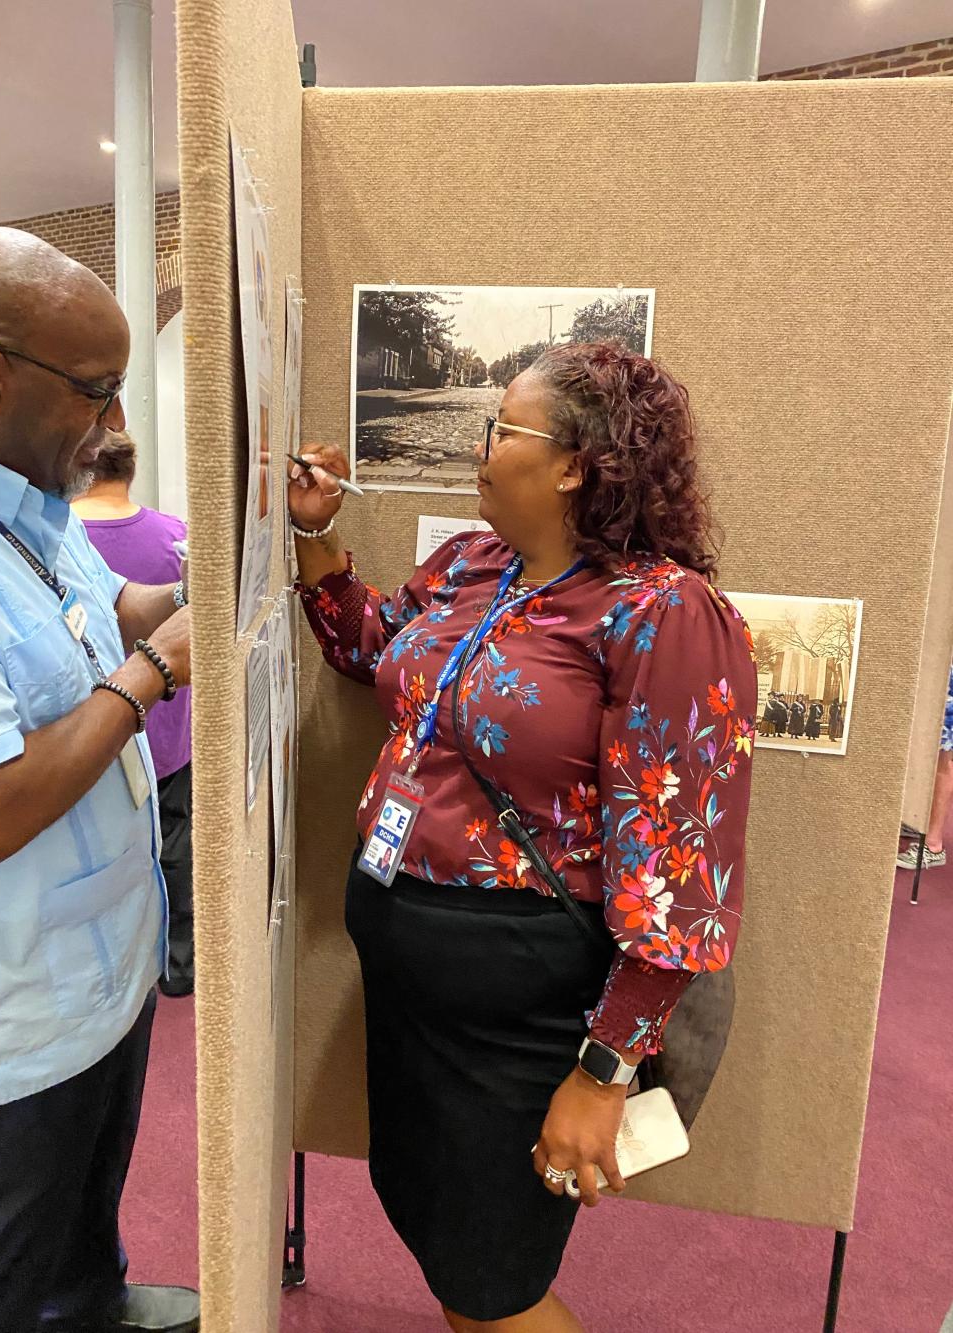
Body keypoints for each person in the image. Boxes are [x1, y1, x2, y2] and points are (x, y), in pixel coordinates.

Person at [291, 341, 757, 1333]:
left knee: (492, 1282)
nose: (481, 445)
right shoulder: (472, 563)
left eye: (501, 427)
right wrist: (316, 536)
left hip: (523, 1011)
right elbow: (368, 647)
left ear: (575, 465)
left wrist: (601, 1074)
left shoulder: (661, 612)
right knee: (440, 1230)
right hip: (410, 987)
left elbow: (680, 880)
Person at [0, 228, 199, 1333]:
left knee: (81, 1234)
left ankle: (90, 1303)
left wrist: (195, 590)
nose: (114, 423)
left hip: (103, 980)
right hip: (10, 1024)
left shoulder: (27, 502)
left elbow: (107, 614)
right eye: (96, 390)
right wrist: (155, 673)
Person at [73, 431, 195, 996]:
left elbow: (126, 603)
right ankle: (179, 965)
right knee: (176, 849)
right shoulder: (175, 533)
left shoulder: (63, 535)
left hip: (100, 738)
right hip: (166, 732)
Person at [897, 663, 953, 872]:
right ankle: (917, 822)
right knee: (922, 752)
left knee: (942, 756)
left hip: (947, 673)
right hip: (935, 667)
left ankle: (933, 845)